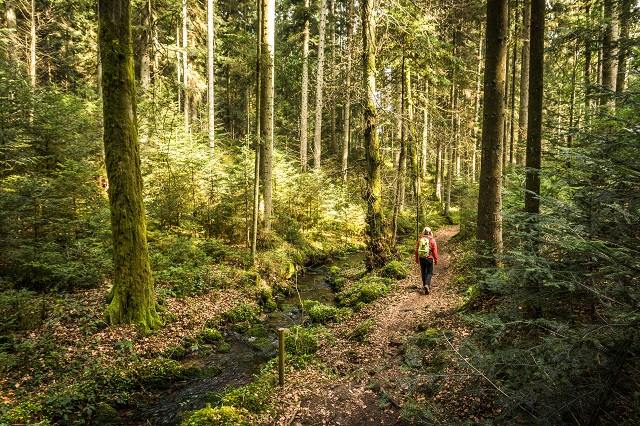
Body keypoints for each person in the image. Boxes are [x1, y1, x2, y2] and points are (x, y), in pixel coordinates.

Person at [414, 226, 438, 294]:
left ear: (423, 232)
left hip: (422, 258)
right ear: (430, 232)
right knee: (430, 272)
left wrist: (416, 258)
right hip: (429, 258)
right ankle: (427, 285)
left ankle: (425, 285)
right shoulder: (432, 240)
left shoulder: (420, 240)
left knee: (423, 272)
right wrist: (436, 259)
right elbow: (435, 251)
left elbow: (416, 250)